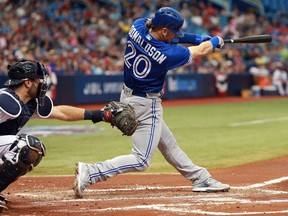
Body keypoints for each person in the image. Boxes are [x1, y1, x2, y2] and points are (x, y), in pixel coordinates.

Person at [74, 7, 230, 198]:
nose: (175, 35)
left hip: (127, 97)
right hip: (147, 105)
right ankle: (91, 172)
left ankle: (200, 178)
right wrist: (214, 41)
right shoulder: (168, 54)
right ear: (164, 30)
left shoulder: (137, 26)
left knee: (168, 144)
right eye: (173, 31)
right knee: (141, 160)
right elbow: (200, 51)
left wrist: (197, 38)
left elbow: (169, 35)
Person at [0, 59, 121, 210]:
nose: (42, 83)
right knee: (24, 147)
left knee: (34, 152)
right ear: (27, 83)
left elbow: (62, 112)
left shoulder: (30, 103)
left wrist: (101, 115)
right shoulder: (5, 100)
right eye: (38, 80)